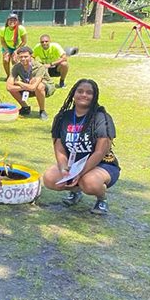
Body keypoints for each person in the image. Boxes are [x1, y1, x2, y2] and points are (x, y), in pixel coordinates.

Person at [41, 79, 119, 215]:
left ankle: (101, 199)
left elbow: (100, 151)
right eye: (80, 91)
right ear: (73, 94)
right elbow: (59, 148)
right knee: (49, 179)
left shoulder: (101, 118)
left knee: (89, 182)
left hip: (101, 164)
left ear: (94, 97)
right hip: (73, 164)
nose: (84, 95)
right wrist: (64, 169)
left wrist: (79, 173)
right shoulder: (62, 117)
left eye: (89, 93)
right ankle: (75, 191)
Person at [6, 46, 55, 120]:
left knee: (39, 86)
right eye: (21, 57)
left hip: (46, 87)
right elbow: (8, 87)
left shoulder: (39, 67)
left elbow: (33, 87)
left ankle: (42, 111)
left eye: (26, 56)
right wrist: (24, 86)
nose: (23, 59)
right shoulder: (16, 67)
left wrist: (19, 82)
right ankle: (25, 108)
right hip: (28, 85)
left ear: (31, 56)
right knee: (13, 87)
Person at [0, 13, 28, 78]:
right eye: (10, 20)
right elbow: (2, 41)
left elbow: (24, 42)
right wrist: (7, 51)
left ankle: (15, 76)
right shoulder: (3, 29)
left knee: (14, 60)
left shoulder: (21, 28)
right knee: (5, 60)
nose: (12, 22)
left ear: (17, 21)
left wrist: (16, 51)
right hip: (7, 46)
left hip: (18, 47)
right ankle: (8, 75)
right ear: (7, 21)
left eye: (14, 20)